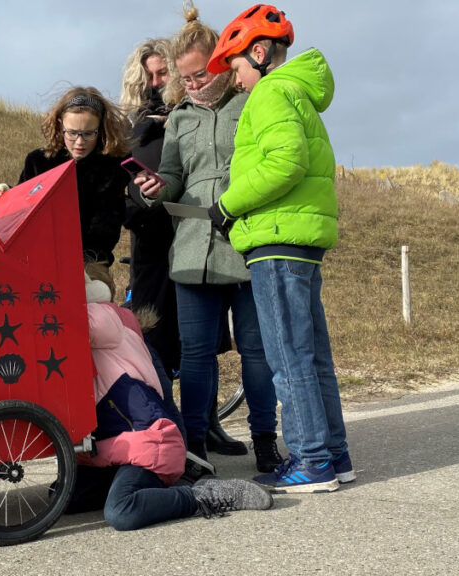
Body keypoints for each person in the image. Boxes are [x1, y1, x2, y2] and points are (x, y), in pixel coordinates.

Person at [204, 4, 354, 493]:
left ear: (260, 53)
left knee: (289, 358)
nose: (236, 80)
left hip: (276, 241)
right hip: (299, 240)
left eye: (236, 67)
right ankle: (333, 456)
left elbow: (287, 160)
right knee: (313, 357)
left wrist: (227, 205)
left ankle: (311, 461)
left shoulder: (269, 93)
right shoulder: (297, 92)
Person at [136, 5, 281, 474]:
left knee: (256, 352)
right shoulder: (179, 118)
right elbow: (174, 176)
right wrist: (157, 188)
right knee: (196, 356)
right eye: (185, 79)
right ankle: (195, 447)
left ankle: (265, 442)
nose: (194, 85)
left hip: (245, 243)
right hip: (193, 250)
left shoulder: (252, 101)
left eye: (200, 74)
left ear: (220, 62)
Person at [69, 265, 272, 530]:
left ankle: (202, 496)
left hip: (145, 444)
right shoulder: (109, 325)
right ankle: (169, 482)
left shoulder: (102, 316)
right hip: (113, 449)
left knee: (121, 511)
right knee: (65, 498)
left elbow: (78, 322)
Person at [118, 38, 182, 378]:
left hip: (187, 241)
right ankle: (161, 410)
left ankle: (202, 414)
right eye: (148, 77)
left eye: (162, 73)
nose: (155, 83)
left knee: (195, 344)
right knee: (152, 341)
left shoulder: (190, 119)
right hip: (148, 249)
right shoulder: (132, 130)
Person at [17, 87, 129, 266]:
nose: (80, 142)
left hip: (92, 260)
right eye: (72, 133)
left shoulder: (114, 165)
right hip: (39, 258)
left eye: (88, 133)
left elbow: (110, 222)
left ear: (100, 130)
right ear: (60, 125)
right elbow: (20, 209)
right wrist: (5, 193)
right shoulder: (37, 161)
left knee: (93, 285)